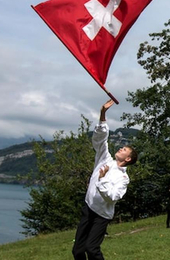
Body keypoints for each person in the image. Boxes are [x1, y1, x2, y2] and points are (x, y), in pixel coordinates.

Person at [73, 100, 137, 260]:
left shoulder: (123, 178)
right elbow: (100, 140)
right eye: (122, 147)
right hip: (88, 208)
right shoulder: (105, 159)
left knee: (92, 249)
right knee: (78, 251)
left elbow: (113, 196)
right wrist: (102, 115)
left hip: (102, 215)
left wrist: (101, 180)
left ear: (128, 158)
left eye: (124, 150)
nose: (121, 148)